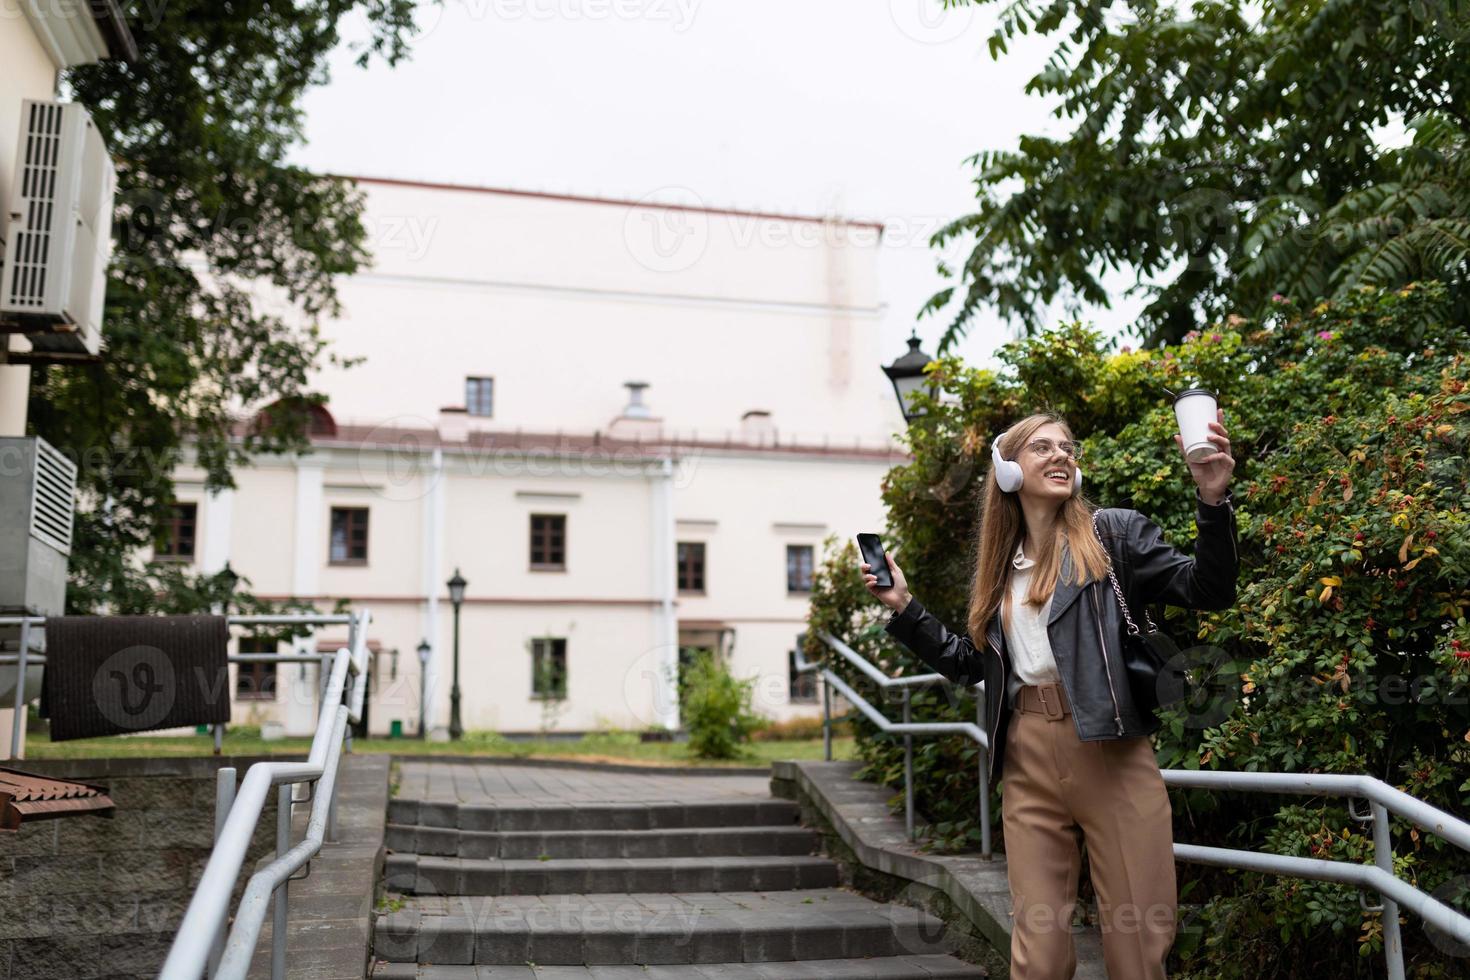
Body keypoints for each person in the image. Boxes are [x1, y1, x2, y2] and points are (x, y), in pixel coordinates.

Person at [861, 410, 1238, 979]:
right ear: (1008, 470)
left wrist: (1212, 499)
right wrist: (906, 611)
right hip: (1026, 752)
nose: (1061, 455)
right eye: (1043, 448)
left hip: (1110, 749)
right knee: (1037, 949)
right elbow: (973, 666)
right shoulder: (1000, 568)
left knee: (1137, 942)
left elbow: (1208, 588)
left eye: (1068, 447)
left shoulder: (1115, 535)